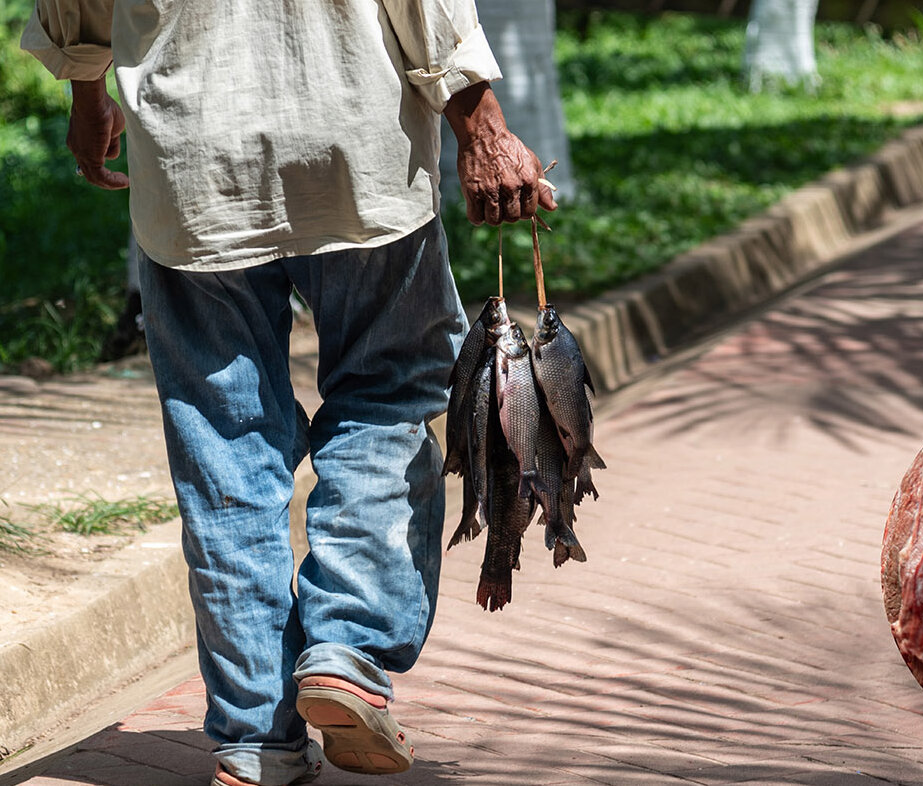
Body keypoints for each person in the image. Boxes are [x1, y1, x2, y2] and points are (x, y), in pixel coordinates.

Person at [22, 3, 557, 784]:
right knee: (387, 397)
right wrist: (480, 125)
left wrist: (85, 88)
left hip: (191, 157)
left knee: (225, 452)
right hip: (354, 138)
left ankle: (256, 739)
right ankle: (346, 648)